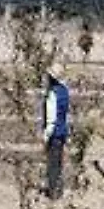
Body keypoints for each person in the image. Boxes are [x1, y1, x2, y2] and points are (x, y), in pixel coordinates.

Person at [40, 63, 70, 200]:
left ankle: (53, 193)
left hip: (54, 132)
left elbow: (51, 117)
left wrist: (46, 136)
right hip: (63, 131)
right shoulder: (65, 91)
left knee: (52, 164)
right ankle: (58, 189)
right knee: (58, 162)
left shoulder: (52, 93)